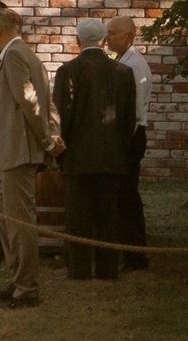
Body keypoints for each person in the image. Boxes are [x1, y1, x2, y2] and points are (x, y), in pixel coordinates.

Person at [54, 18, 140, 280]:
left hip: (76, 159)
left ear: (78, 41)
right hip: (112, 157)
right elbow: (128, 120)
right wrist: (119, 149)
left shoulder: (67, 71)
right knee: (108, 216)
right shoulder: (124, 73)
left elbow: (60, 118)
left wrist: (61, 152)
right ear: (104, 41)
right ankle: (107, 268)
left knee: (77, 217)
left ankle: (79, 270)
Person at [0, 5, 59, 307]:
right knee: (3, 214)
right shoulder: (25, 54)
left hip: (18, 151)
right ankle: (18, 280)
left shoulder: (15, 55)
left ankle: (27, 288)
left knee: (19, 222)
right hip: (10, 153)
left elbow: (30, 101)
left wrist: (47, 140)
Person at [105, 15, 153, 270]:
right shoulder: (121, 60)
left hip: (130, 137)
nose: (107, 38)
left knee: (127, 197)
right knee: (121, 197)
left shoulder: (135, 66)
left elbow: (133, 111)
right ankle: (129, 252)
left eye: (112, 33)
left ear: (129, 37)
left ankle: (135, 256)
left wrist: (120, 143)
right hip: (125, 136)